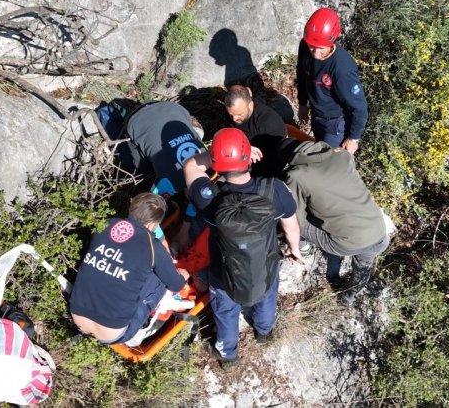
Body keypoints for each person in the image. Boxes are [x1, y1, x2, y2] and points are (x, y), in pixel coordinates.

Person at [183, 128, 302, 368]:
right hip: (264, 264)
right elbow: (291, 228)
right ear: (249, 158)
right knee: (267, 294)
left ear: (216, 164)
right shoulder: (275, 190)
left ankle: (228, 357)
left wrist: (216, 155)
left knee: (226, 313)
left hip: (224, 274)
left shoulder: (209, 200)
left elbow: (191, 166)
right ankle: (264, 333)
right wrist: (295, 250)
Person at [278, 138, 389, 306]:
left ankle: (303, 247)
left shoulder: (296, 175)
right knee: (363, 267)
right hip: (378, 231)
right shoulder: (342, 157)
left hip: (347, 243)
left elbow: (296, 217)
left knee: (298, 222)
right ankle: (348, 299)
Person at [69, 194, 189, 345]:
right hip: (114, 333)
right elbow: (176, 285)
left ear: (131, 206)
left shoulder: (105, 224)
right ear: (154, 224)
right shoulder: (153, 247)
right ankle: (144, 324)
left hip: (78, 318)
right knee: (161, 277)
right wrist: (182, 275)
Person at [123, 100, 206, 253]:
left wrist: (184, 231)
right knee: (142, 172)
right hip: (137, 118)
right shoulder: (168, 182)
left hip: (174, 109)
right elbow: (146, 213)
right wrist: (163, 244)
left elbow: (196, 199)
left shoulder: (208, 163)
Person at [296, 7, 369, 155]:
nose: (315, 53)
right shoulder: (304, 46)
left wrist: (353, 138)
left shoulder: (342, 68)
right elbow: (301, 75)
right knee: (318, 152)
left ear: (333, 40)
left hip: (335, 124)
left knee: (329, 163)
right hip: (317, 116)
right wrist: (303, 103)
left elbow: (359, 107)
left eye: (321, 48)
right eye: (312, 47)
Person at [224, 85, 287, 177]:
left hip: (264, 172)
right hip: (239, 159)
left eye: (239, 114)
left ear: (250, 104)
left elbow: (278, 159)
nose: (234, 119)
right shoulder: (233, 112)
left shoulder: (268, 123)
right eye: (231, 115)